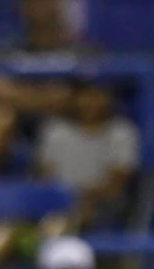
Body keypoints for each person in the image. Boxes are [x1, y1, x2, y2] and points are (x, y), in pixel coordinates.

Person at [36, 81, 140, 229]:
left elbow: (115, 186)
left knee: (73, 216)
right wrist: (64, 198)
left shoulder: (122, 133)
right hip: (56, 204)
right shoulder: (55, 131)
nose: (92, 102)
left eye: (98, 95)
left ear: (109, 98)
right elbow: (45, 177)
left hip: (103, 206)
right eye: (86, 95)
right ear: (75, 98)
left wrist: (82, 198)